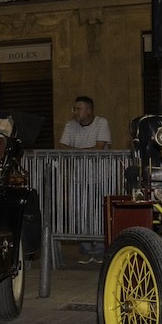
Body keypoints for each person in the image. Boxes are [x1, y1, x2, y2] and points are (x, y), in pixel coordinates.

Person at [59, 96, 111, 263]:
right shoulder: (70, 125)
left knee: (99, 212)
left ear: (89, 110)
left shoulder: (101, 122)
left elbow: (99, 148)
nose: (75, 112)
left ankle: (102, 249)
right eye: (74, 109)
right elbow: (63, 148)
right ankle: (87, 251)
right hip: (78, 177)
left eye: (78, 109)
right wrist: (80, 152)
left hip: (99, 177)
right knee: (81, 213)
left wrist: (75, 151)